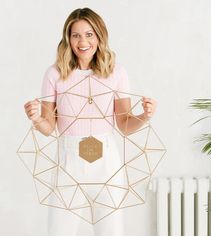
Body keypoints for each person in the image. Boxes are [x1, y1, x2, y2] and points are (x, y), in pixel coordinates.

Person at [24, 7, 157, 236]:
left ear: (99, 36)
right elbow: (48, 127)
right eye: (76, 35)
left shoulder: (116, 73)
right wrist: (36, 118)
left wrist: (145, 116)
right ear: (68, 39)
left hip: (107, 166)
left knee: (111, 232)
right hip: (69, 164)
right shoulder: (55, 73)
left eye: (89, 34)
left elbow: (124, 124)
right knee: (59, 231)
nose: (82, 41)